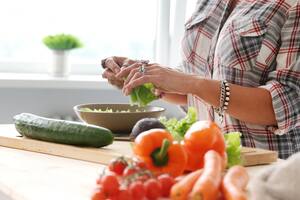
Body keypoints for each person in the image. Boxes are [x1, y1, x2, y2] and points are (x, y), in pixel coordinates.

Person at [101, 0, 300, 159]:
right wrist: (146, 77)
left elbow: (287, 105)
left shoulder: (292, 5)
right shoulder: (209, 3)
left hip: (265, 170)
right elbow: (199, 84)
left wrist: (192, 83)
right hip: (205, 159)